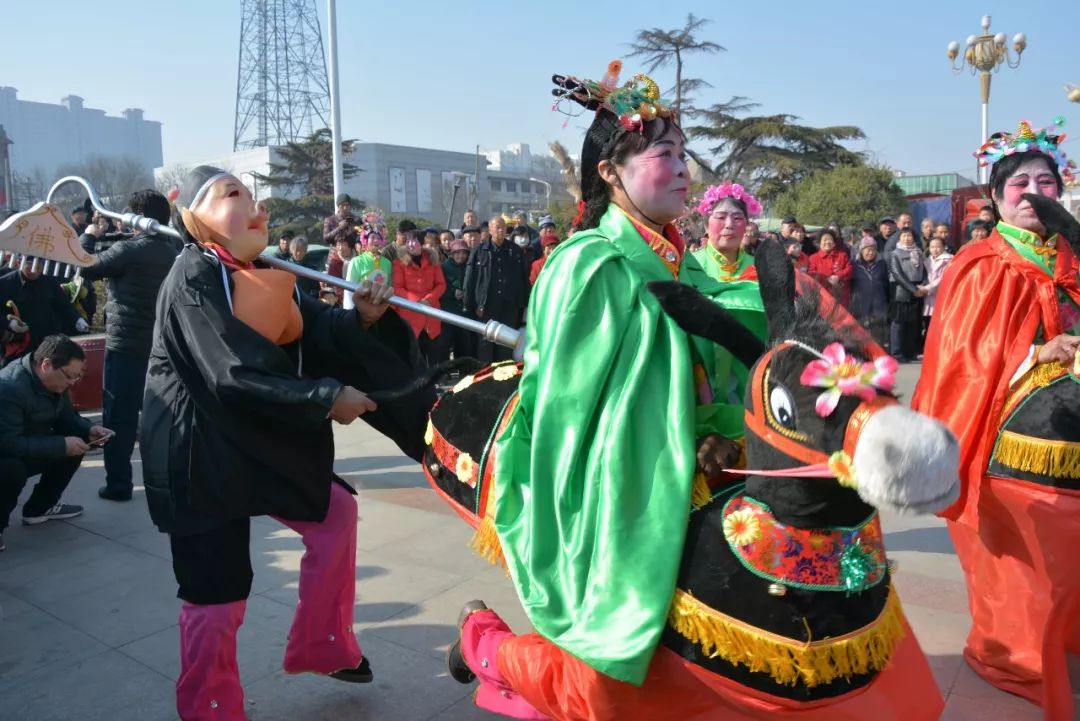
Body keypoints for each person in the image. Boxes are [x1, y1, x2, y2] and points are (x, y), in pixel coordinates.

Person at [141, 165, 431, 721]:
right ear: (194, 216)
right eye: (234, 195)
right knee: (217, 591)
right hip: (199, 448)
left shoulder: (266, 270)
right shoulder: (191, 278)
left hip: (258, 435)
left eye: (254, 195)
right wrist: (324, 398)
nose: (256, 207)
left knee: (336, 511)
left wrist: (363, 318)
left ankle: (321, 644)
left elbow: (318, 329)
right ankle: (210, 707)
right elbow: (228, 372)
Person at [913, 120, 1080, 715]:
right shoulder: (982, 261)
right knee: (1014, 555)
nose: (1034, 192)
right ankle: (1013, 651)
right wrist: (1037, 352)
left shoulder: (1071, 258)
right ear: (996, 196)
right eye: (1020, 183)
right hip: (1003, 427)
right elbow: (962, 354)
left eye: (1046, 181)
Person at [77, 189, 180, 502]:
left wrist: (89, 235)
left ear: (136, 217)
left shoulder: (130, 251)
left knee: (119, 419)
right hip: (163, 348)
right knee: (163, 417)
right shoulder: (173, 248)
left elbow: (84, 265)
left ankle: (119, 485)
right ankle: (170, 481)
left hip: (125, 349)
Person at [0, 335, 113, 551]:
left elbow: (67, 419)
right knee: (10, 470)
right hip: (7, 452)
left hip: (29, 445)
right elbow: (6, 442)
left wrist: (89, 430)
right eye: (70, 376)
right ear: (45, 365)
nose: (72, 383)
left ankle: (39, 509)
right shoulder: (9, 388)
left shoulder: (54, 383)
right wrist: (60, 445)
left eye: (77, 377)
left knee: (76, 443)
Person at [463, 215, 528, 363]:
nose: (501, 230)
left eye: (503, 227)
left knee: (506, 343)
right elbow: (470, 281)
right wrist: (471, 305)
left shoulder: (515, 251)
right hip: (486, 306)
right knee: (485, 343)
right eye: (497, 227)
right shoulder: (479, 252)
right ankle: (486, 377)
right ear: (490, 230)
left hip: (509, 306)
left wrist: (524, 304)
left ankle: (504, 378)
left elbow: (524, 279)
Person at [0, 255, 88, 361]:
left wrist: (77, 319)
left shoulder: (49, 280)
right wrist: (9, 323)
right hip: (18, 341)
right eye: (30, 267)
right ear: (19, 263)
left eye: (39, 267)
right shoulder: (5, 283)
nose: (34, 272)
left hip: (46, 338)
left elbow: (64, 305)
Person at [391, 230, 446, 360]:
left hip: (431, 315)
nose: (410, 244)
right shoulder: (399, 263)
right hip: (410, 315)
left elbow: (441, 285)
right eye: (408, 241)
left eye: (414, 240)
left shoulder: (433, 261)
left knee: (434, 355)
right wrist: (417, 301)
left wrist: (428, 299)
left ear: (421, 242)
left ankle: (436, 380)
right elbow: (397, 288)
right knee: (414, 358)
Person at [888, 227, 926, 361]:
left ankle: (910, 351)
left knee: (913, 323)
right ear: (899, 239)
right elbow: (897, 274)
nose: (907, 239)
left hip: (917, 289)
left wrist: (924, 286)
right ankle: (896, 353)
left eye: (909, 236)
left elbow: (924, 270)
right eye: (903, 236)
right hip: (901, 290)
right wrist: (913, 289)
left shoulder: (919, 252)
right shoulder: (895, 254)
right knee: (898, 323)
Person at [432, 239, 473, 363]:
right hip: (447, 312)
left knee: (464, 344)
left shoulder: (470, 266)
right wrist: (451, 292)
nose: (461, 256)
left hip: (465, 312)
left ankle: (464, 372)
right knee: (444, 344)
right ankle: (443, 373)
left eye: (464, 253)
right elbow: (437, 286)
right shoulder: (443, 267)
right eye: (457, 253)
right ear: (452, 253)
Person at [850, 237, 891, 349]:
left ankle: (879, 352)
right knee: (861, 329)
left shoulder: (881, 264)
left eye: (873, 249)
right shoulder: (854, 264)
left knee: (878, 329)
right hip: (861, 302)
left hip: (879, 301)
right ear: (861, 250)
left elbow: (886, 283)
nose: (870, 252)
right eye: (867, 249)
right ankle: (863, 352)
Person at [343, 227, 393, 311]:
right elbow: (349, 291)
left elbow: (388, 287)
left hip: (379, 310)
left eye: (378, 238)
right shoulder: (356, 261)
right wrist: (349, 312)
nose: (376, 240)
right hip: (359, 309)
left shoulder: (387, 263)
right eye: (373, 237)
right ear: (365, 240)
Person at [918, 237, 953, 342]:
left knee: (940, 321)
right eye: (932, 247)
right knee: (928, 322)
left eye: (938, 246)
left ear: (944, 247)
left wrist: (926, 288)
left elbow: (942, 278)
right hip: (927, 296)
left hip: (940, 294)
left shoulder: (949, 259)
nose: (935, 249)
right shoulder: (927, 260)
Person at [807, 228, 853, 306]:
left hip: (842, 297)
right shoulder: (813, 258)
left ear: (834, 243)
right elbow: (811, 274)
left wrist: (838, 276)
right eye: (825, 239)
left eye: (830, 239)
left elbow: (850, 269)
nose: (827, 242)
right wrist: (826, 278)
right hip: (823, 297)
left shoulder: (842, 255)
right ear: (819, 243)